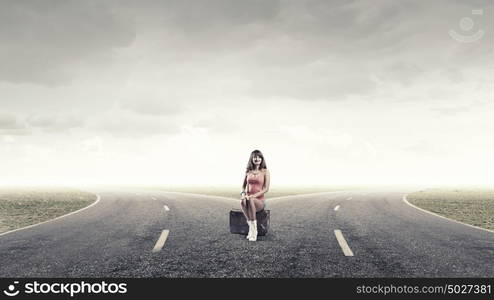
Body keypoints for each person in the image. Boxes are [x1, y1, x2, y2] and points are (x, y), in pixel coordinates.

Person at [240, 150, 270, 241]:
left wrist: (254, 196)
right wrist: (243, 194)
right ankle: (251, 228)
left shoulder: (265, 172)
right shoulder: (248, 171)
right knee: (242, 201)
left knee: (250, 200)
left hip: (259, 201)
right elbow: (243, 186)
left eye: (259, 157)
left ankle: (254, 231)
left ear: (261, 159)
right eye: (255, 157)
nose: (257, 159)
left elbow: (266, 189)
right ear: (252, 159)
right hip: (248, 198)